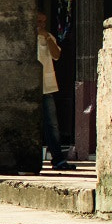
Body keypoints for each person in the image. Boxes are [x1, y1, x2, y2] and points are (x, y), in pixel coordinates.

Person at [37, 10, 69, 170]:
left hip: (46, 86)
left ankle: (58, 159)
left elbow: (56, 55)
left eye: (43, 22)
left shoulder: (48, 37)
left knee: (52, 124)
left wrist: (47, 37)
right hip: (31, 84)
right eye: (38, 21)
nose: (41, 25)